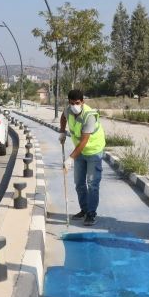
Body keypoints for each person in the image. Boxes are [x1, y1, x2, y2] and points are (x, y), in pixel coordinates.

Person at [59, 89, 106, 226]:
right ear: (69, 102)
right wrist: (62, 131)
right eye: (72, 103)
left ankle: (91, 214)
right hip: (79, 152)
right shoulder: (68, 110)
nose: (74, 106)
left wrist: (70, 158)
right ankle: (84, 210)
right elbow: (63, 117)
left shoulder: (89, 115)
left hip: (93, 151)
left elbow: (84, 141)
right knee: (79, 183)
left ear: (83, 102)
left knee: (92, 183)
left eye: (77, 103)